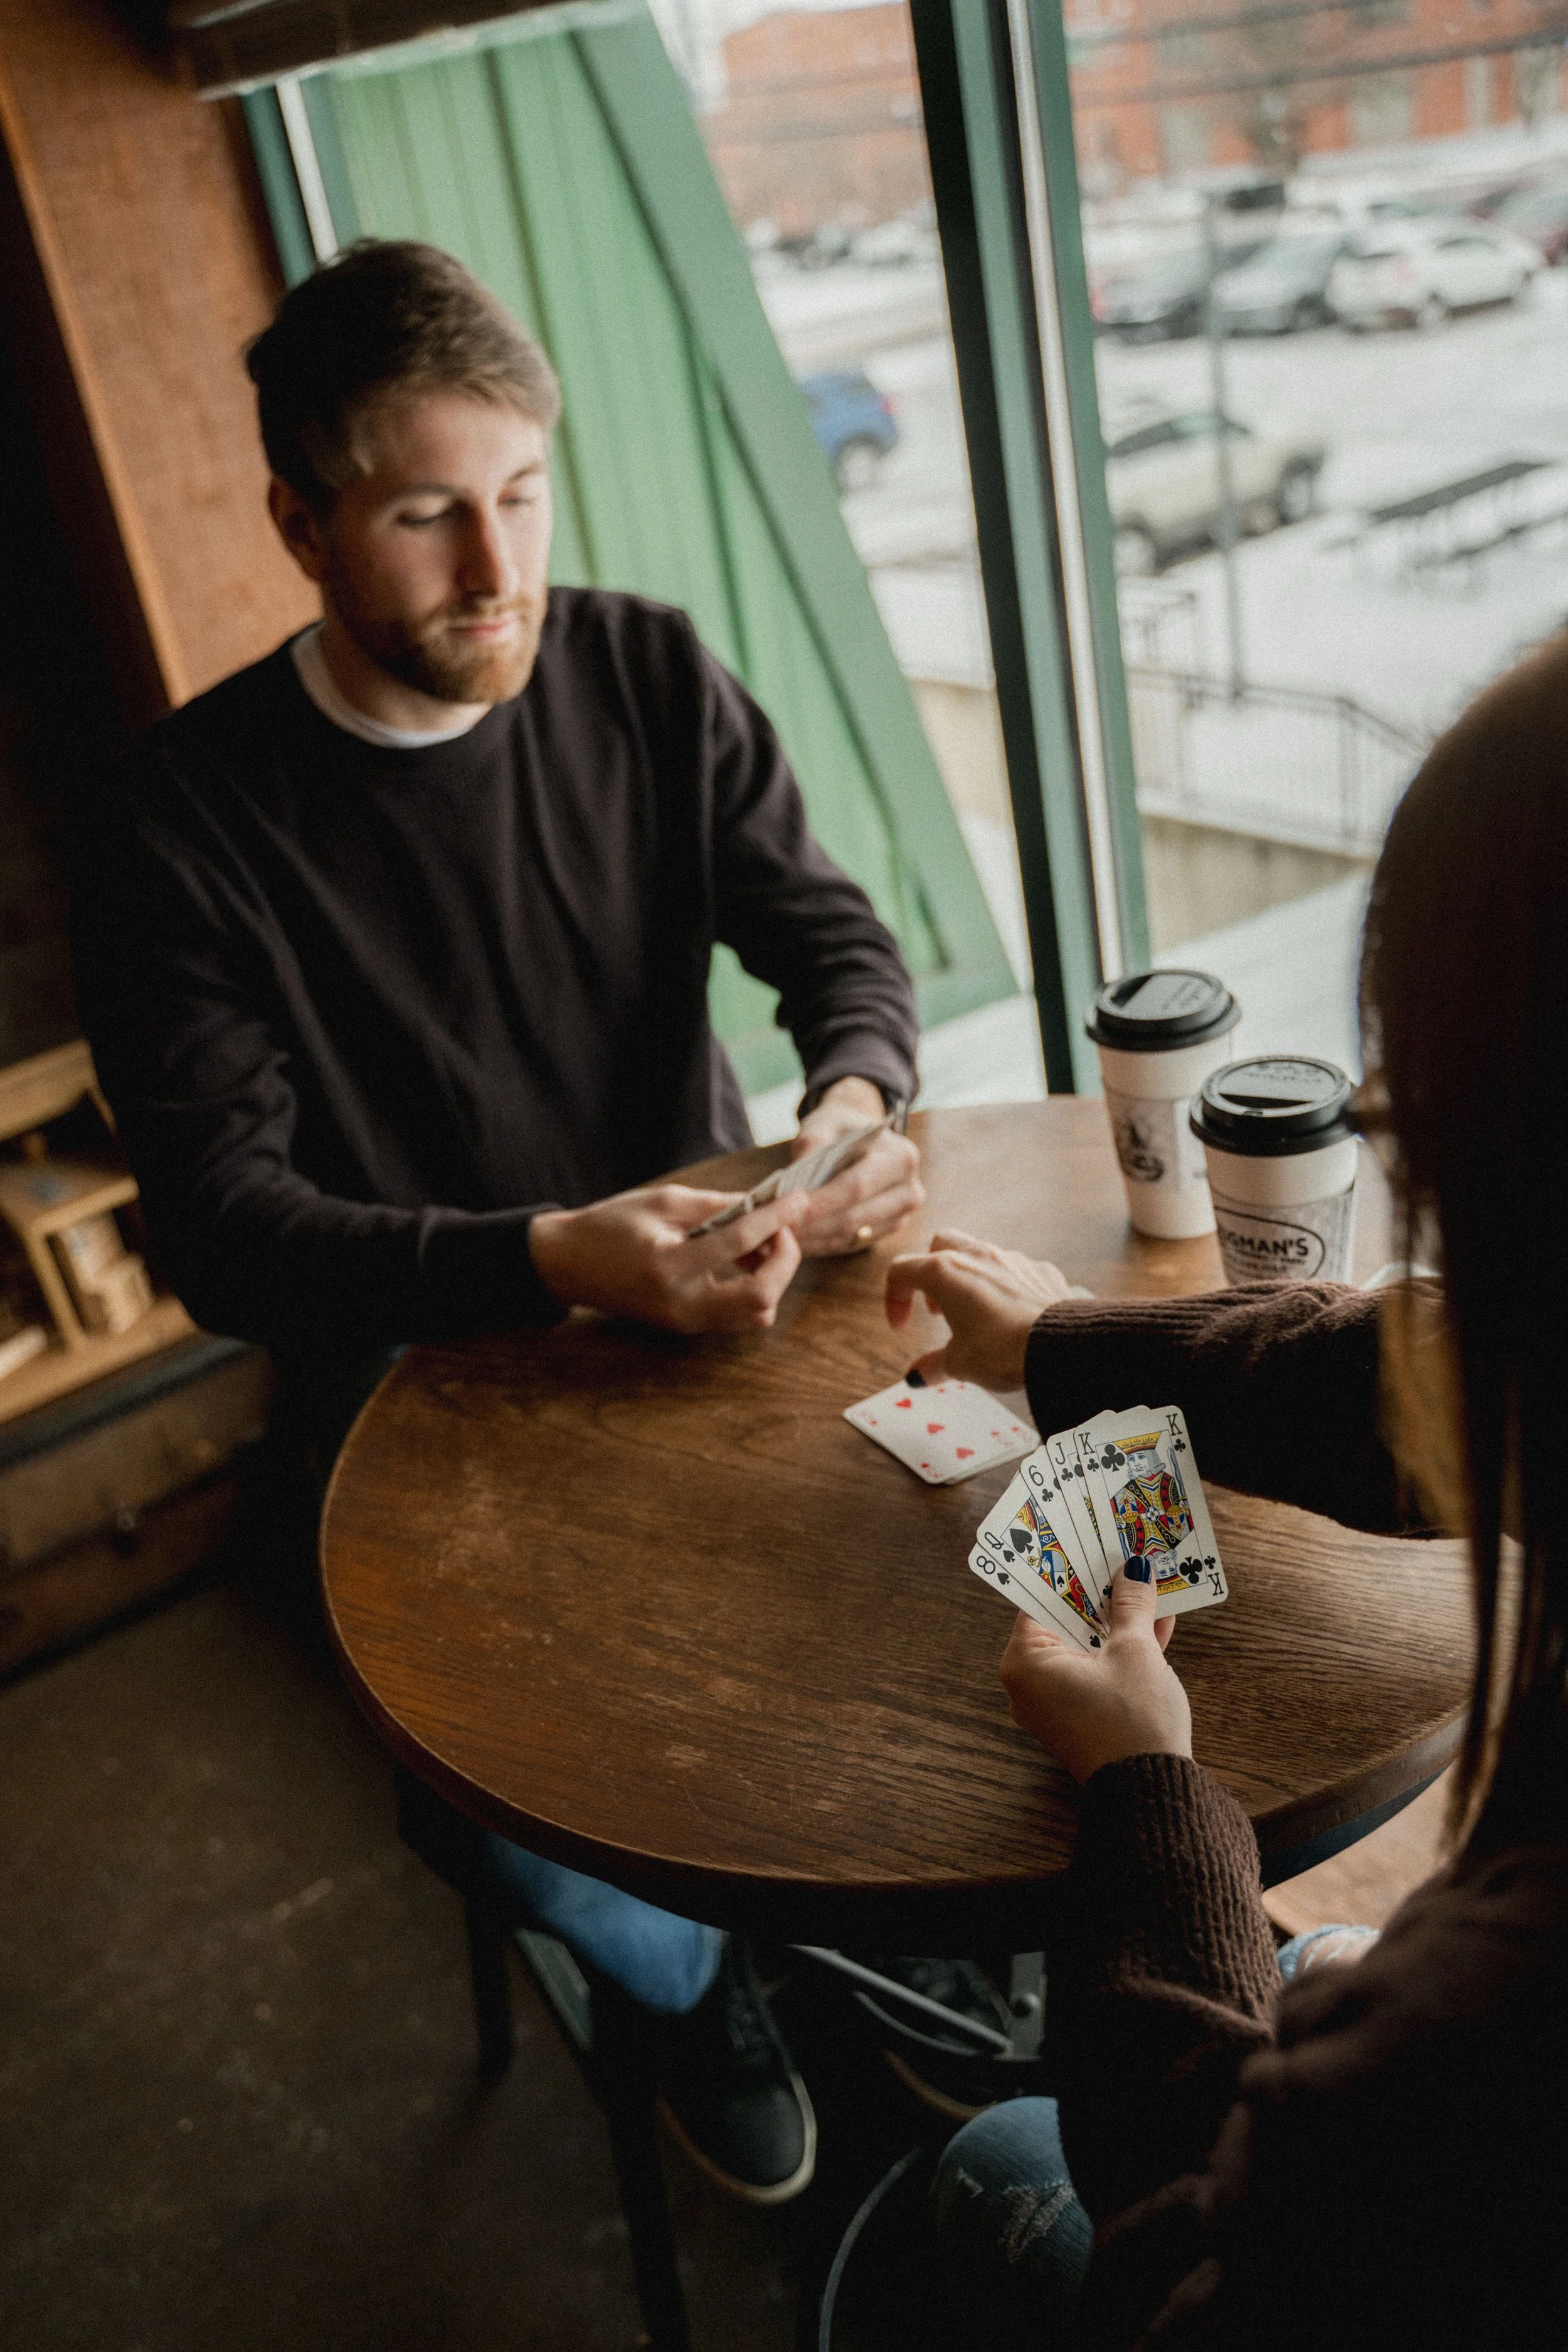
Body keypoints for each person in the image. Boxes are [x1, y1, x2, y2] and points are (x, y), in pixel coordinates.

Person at [70, 238, 930, 2207]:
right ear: (301, 520)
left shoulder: (638, 665)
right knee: (538, 1818)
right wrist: (552, 1250)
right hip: (418, 1417)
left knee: (931, 1615)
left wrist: (853, 1102)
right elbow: (227, 1230)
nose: (495, 570)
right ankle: (696, 1983)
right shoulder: (176, 823)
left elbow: (829, 935)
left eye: (522, 495)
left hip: (733, 1321)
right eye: (426, 514)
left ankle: (860, 1932)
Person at [882, 632, 1568, 2345]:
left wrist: (1147, 1798)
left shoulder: (1471, 2043)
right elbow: (1386, 1372)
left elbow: (1194, 2248)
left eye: (1421, 1141)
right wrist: (1058, 1345)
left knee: (993, 2169)